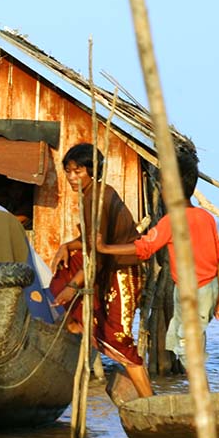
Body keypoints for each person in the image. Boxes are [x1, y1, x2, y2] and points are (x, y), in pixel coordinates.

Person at [95, 139, 219, 368]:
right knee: (183, 339)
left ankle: (200, 395)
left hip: (192, 291)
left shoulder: (172, 220)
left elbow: (144, 248)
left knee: (187, 345)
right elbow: (218, 260)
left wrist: (105, 248)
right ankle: (195, 391)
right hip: (205, 288)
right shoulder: (206, 218)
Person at [49, 143, 153, 398]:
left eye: (78, 171)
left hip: (122, 271)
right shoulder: (92, 194)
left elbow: (95, 253)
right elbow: (89, 241)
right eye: (69, 171)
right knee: (95, 328)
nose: (72, 177)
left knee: (118, 337)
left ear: (91, 171)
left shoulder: (96, 198)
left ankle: (150, 402)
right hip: (108, 269)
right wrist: (67, 245)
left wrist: (72, 286)